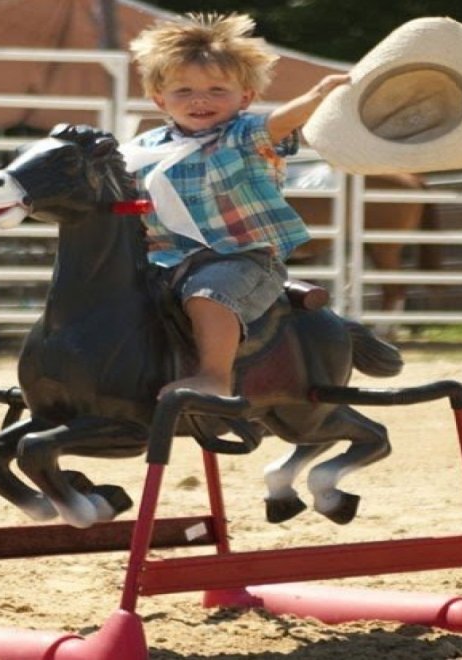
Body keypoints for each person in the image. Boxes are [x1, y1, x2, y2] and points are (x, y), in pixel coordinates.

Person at [125, 13, 349, 397]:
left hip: (241, 259)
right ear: (159, 99)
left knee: (208, 295)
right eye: (183, 91)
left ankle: (215, 376)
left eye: (217, 89)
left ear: (245, 97)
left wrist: (316, 98)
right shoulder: (143, 150)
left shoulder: (242, 136)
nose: (200, 100)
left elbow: (275, 124)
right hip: (166, 261)